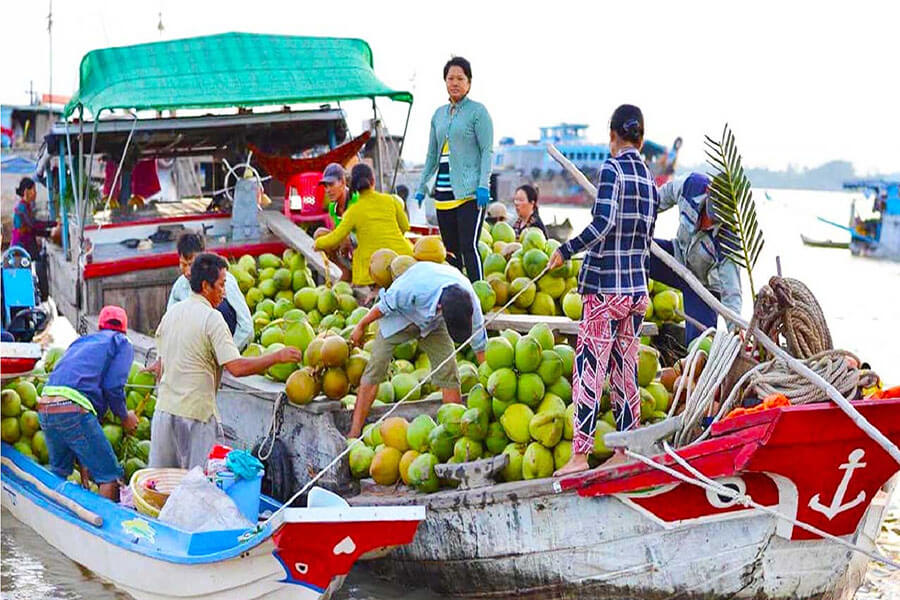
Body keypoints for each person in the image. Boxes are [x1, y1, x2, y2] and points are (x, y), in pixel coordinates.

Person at [549, 104, 658, 476]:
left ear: (613, 136)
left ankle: (579, 455)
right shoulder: (648, 177)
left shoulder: (613, 169)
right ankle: (626, 450)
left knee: (589, 370)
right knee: (626, 370)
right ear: (640, 138)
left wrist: (565, 250)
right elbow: (647, 239)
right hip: (637, 291)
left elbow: (603, 223)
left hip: (606, 290)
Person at [150, 253, 303, 469]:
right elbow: (237, 367)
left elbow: (160, 364)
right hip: (196, 416)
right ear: (206, 286)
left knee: (160, 485)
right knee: (197, 487)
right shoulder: (212, 318)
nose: (224, 292)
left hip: (164, 413)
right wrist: (277, 356)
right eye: (221, 285)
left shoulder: (172, 313)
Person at [346, 261, 487, 438]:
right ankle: (354, 431)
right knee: (375, 368)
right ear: (441, 307)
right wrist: (361, 325)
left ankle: (455, 430)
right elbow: (383, 307)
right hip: (401, 316)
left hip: (434, 325)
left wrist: (489, 386)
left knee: (448, 370)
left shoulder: (469, 301)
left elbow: (480, 347)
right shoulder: (412, 288)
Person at [38, 306, 138, 500]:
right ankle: (102, 528)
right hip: (74, 408)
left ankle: (54, 521)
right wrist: (126, 417)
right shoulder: (121, 342)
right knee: (110, 477)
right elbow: (113, 386)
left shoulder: (81, 342)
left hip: (46, 405)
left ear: (100, 327)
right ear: (124, 329)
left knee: (59, 473)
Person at [415, 56, 493, 282]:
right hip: (443, 194)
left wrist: (483, 185)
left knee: (469, 247)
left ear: (469, 82)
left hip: (470, 194)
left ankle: (479, 295)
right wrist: (422, 187)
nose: (455, 82)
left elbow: (487, 150)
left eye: (460, 78)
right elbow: (431, 154)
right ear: (445, 81)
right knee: (450, 252)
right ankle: (456, 297)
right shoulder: (438, 114)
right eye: (451, 78)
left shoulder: (478, 112)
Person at [653, 173, 742, 343]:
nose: (709, 223)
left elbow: (732, 292)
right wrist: (637, 216)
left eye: (716, 220)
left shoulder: (729, 239)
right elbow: (662, 197)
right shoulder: (692, 186)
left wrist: (737, 331)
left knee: (700, 345)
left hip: (704, 287)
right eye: (711, 213)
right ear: (709, 190)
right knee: (633, 248)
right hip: (676, 259)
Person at [314, 163, 413, 287]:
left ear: (346, 183)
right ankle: (346, 272)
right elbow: (405, 227)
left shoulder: (354, 208)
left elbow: (335, 237)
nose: (328, 190)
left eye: (331, 184)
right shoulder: (391, 200)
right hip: (404, 258)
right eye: (326, 186)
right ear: (373, 181)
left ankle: (366, 283)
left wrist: (317, 244)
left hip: (371, 266)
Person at [166, 232, 253, 350]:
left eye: (191, 265)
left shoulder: (224, 280)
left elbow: (246, 326)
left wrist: (228, 354)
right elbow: (169, 325)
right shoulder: (180, 286)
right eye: (183, 264)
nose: (187, 272)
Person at [11, 177, 53, 258]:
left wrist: (48, 234)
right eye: (34, 190)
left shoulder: (27, 207)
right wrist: (52, 224)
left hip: (25, 245)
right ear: (26, 191)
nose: (35, 193)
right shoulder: (22, 208)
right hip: (20, 249)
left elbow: (32, 230)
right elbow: (33, 224)